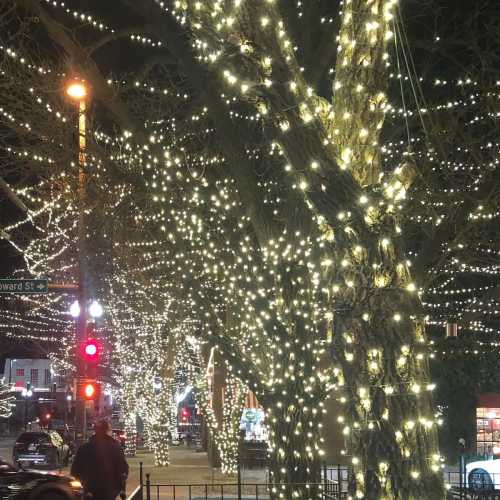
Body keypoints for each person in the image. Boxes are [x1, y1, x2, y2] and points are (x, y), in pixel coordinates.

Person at [71, 420, 129, 500]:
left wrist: (85, 482)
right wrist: (118, 488)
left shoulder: (84, 448)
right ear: (107, 430)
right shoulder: (116, 448)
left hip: (90, 491)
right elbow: (124, 471)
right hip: (109, 491)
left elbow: (74, 471)